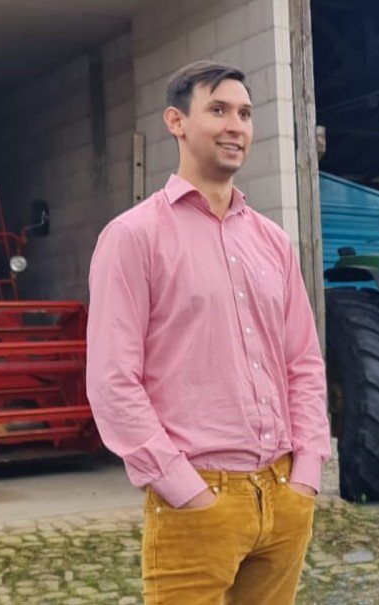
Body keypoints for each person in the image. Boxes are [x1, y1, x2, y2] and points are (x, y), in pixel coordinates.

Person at [86, 60, 330, 605]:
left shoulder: (273, 241)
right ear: (176, 121)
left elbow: (303, 363)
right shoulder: (133, 237)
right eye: (218, 110)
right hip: (198, 497)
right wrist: (181, 487)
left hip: (284, 493)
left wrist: (307, 472)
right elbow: (112, 379)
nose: (235, 126)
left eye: (244, 113)